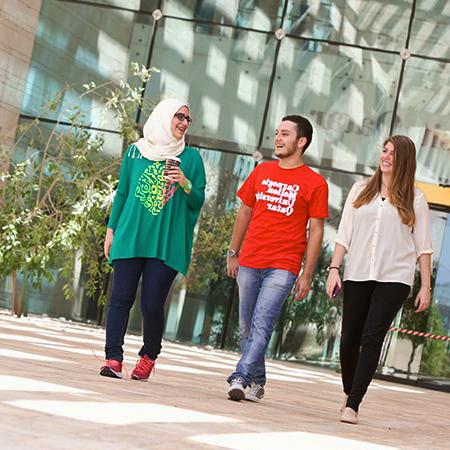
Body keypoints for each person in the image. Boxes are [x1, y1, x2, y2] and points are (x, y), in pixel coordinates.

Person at [326, 135, 433, 424]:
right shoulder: (361, 189)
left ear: (405, 161)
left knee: (372, 337)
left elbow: (423, 246)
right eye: (384, 150)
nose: (385, 157)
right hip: (358, 272)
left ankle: (353, 405)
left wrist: (425, 286)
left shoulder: (416, 198)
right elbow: (343, 234)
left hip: (395, 278)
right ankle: (351, 392)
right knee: (349, 339)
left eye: (393, 154)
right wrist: (334, 269)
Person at [100, 98, 206, 381]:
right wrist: (111, 230)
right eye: (178, 116)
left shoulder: (192, 159)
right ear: (163, 117)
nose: (183, 122)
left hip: (166, 242)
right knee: (120, 299)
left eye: (187, 119)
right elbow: (122, 193)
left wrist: (184, 181)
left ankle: (149, 355)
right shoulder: (135, 152)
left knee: (150, 304)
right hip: (130, 235)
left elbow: (198, 200)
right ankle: (113, 358)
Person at [226, 115, 329, 402]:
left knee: (262, 322)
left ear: (301, 142)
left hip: (283, 265)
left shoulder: (315, 183)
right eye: (277, 133)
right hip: (250, 259)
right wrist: (233, 253)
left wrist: (307, 274)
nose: (278, 138)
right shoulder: (261, 172)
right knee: (246, 326)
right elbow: (244, 212)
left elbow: (317, 231)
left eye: (285, 134)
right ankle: (257, 381)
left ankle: (241, 376)